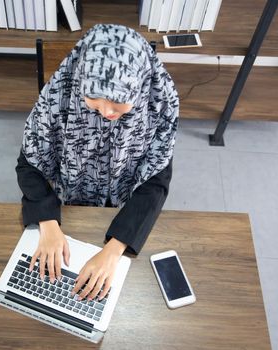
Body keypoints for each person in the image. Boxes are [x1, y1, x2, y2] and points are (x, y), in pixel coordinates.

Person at [16, 24, 179, 303]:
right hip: (67, 202)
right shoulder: (60, 96)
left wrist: (114, 250)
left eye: (118, 103)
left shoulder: (157, 109)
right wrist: (48, 222)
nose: (105, 112)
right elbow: (29, 164)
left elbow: (155, 183)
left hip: (124, 208)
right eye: (93, 99)